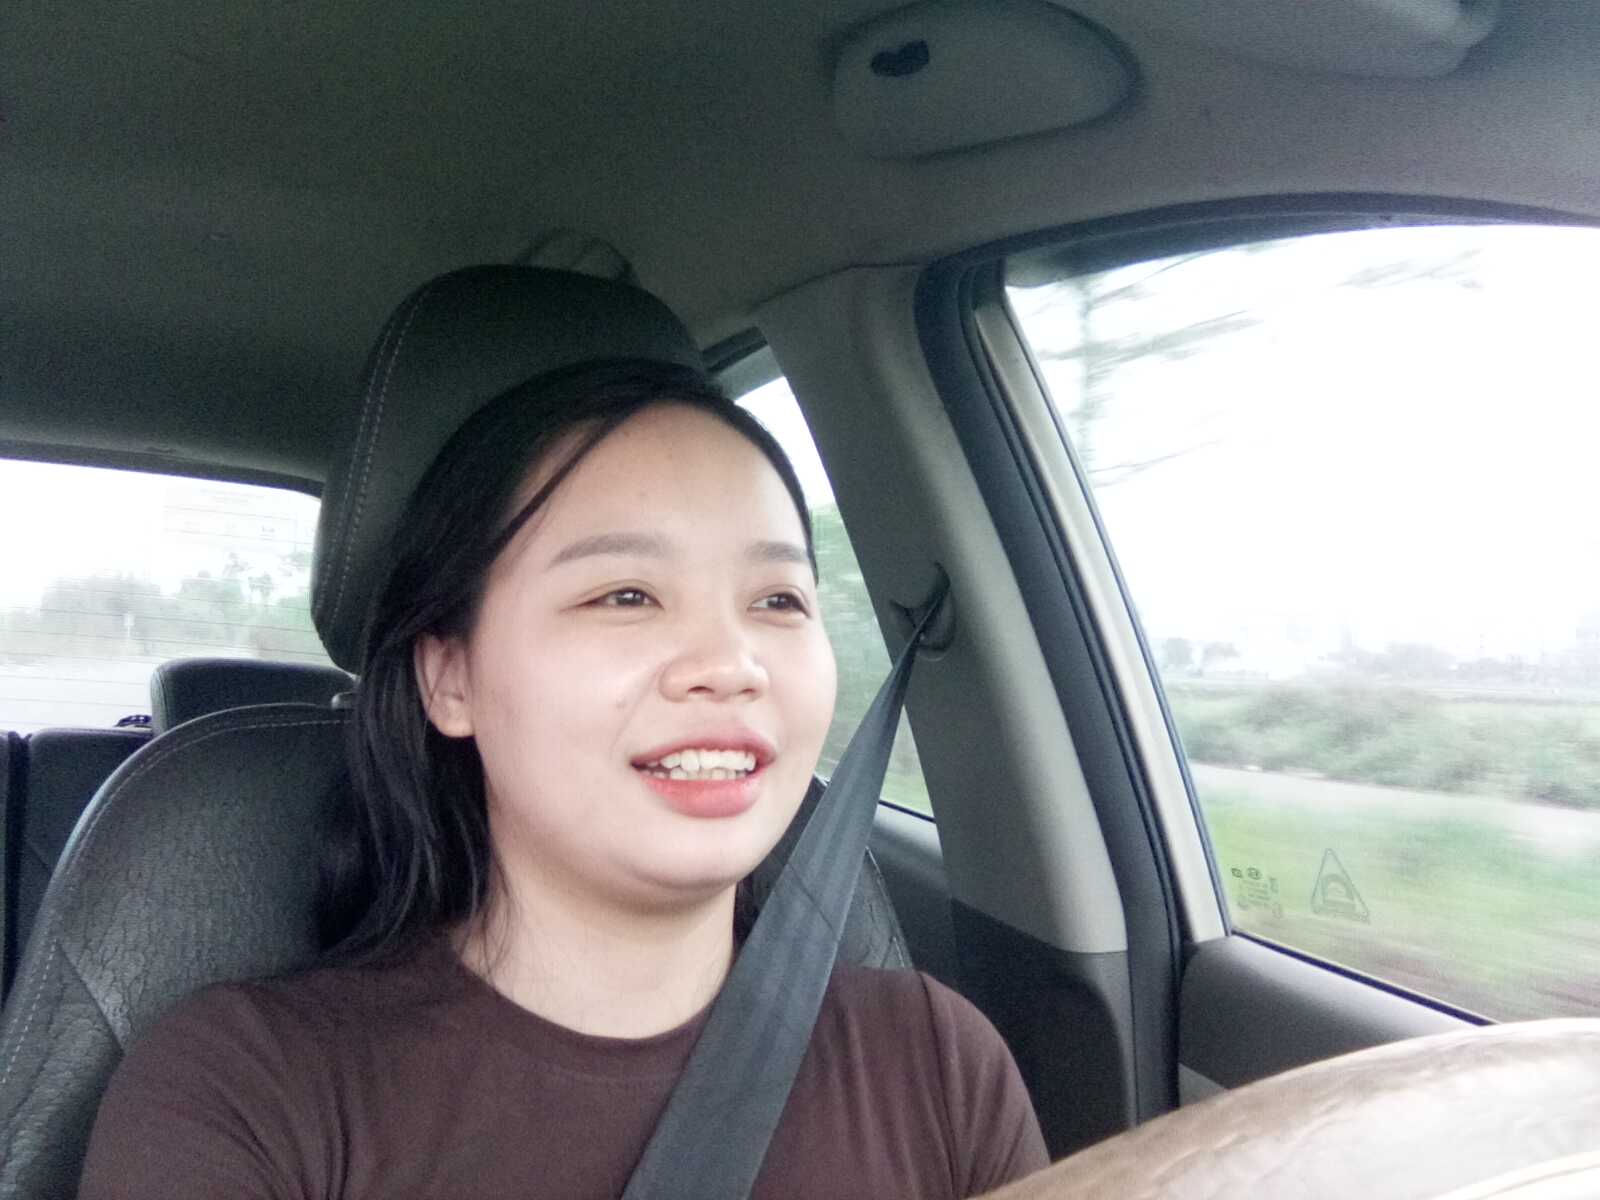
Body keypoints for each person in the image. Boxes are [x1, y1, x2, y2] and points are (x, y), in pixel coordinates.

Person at [78, 357, 1049, 1198]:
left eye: (779, 599)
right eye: (625, 594)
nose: (732, 663)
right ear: (450, 678)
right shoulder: (245, 1095)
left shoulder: (940, 1064)